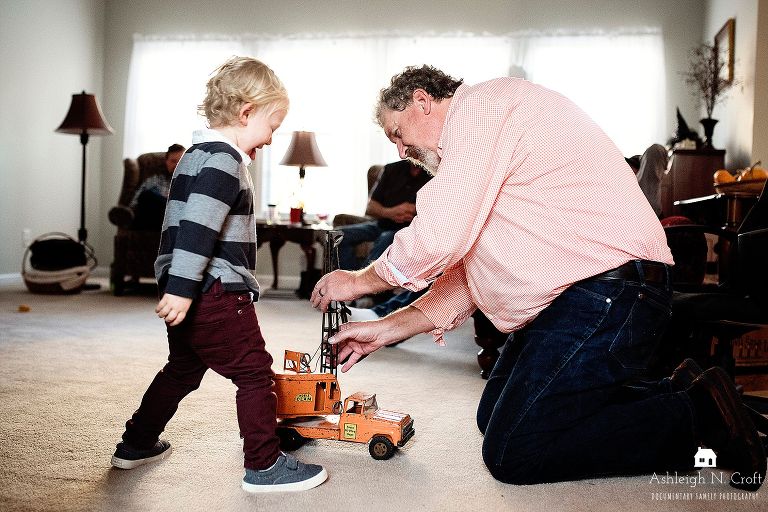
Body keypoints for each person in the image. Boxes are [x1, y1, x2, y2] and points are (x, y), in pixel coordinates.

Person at [311, 65, 765, 490]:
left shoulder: (479, 109)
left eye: (397, 133)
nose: (401, 150)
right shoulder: (482, 154)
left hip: (614, 292)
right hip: (589, 295)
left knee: (514, 451)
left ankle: (698, 415)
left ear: (422, 101)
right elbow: (465, 281)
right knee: (494, 415)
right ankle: (681, 390)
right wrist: (384, 329)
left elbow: (438, 236)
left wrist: (359, 280)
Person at [111, 56, 327, 493]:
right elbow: (198, 227)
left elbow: (184, 225)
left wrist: (177, 286)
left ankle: (136, 444)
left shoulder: (194, 156)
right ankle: (264, 465)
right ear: (246, 113)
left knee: (181, 369)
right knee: (254, 374)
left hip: (189, 289)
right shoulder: (224, 162)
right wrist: (184, 288)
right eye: (272, 126)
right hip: (214, 292)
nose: (271, 139)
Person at [337, 159, 432, 271]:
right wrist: (391, 212)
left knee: (385, 238)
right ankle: (349, 276)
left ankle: (364, 279)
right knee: (339, 235)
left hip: (408, 230)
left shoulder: (436, 174)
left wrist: (415, 209)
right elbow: (370, 208)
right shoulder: (391, 169)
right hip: (381, 224)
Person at [129, 144, 186, 230]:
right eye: (173, 161)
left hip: (178, 220)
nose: (177, 165)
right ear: (166, 162)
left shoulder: (192, 183)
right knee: (146, 196)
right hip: (154, 219)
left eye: (181, 162)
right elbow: (135, 202)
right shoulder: (155, 180)